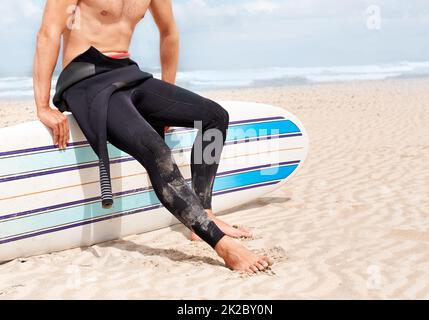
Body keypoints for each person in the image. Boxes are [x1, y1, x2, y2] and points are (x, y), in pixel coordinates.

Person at [33, 0, 271, 273]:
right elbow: (48, 32)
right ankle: (223, 246)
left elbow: (169, 31)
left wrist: (165, 104)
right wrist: (42, 105)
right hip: (85, 80)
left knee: (214, 117)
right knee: (156, 151)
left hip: (128, 72)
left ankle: (204, 214)